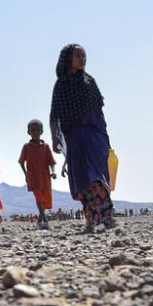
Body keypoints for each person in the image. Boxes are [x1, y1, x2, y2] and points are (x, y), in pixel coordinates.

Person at [49, 44, 114, 232]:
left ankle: (106, 215)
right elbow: (55, 114)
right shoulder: (61, 85)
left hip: (94, 136)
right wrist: (54, 137)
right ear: (68, 59)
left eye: (84, 55)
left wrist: (105, 137)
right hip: (74, 138)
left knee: (97, 176)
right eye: (77, 55)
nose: (82, 58)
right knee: (83, 179)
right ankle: (91, 219)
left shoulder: (89, 81)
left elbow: (99, 113)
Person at [19, 119, 57, 228]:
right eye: (33, 130)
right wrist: (26, 174)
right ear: (28, 132)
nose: (35, 132)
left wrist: (53, 172)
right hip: (33, 177)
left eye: (37, 130)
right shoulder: (26, 146)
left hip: (45, 177)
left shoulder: (45, 147)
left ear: (42, 131)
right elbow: (21, 161)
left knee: (45, 199)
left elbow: (51, 162)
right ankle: (45, 220)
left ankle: (39, 221)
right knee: (39, 198)